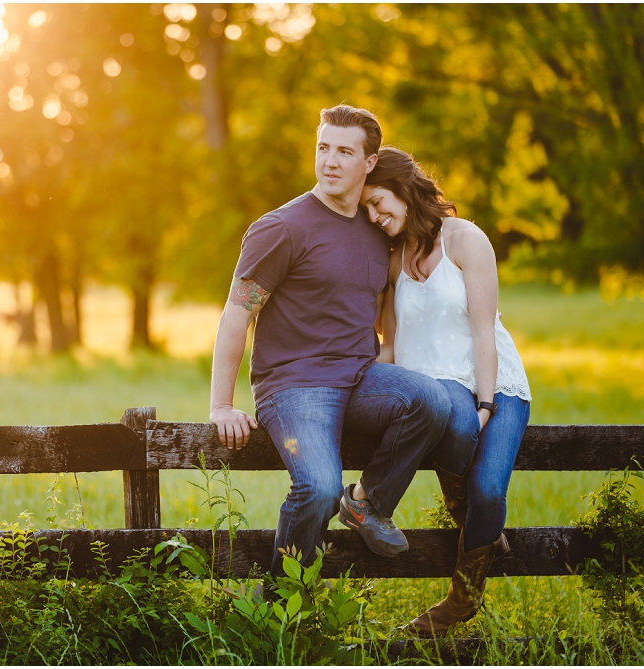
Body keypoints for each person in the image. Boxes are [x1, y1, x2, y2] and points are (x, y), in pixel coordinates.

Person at [209, 105, 451, 576]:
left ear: (370, 163)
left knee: (432, 402)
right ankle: (280, 604)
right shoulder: (281, 229)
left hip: (360, 377)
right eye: (323, 148)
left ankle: (366, 504)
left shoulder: (377, 227)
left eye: (344, 151)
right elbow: (236, 314)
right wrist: (222, 405)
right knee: (319, 488)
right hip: (295, 387)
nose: (330, 161)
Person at [361, 147, 533, 636]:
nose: (375, 216)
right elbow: (390, 345)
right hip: (436, 393)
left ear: (402, 187)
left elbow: (484, 332)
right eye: (368, 211)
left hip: (495, 382)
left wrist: (486, 402)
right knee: (454, 425)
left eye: (378, 203)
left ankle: (462, 598)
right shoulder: (394, 261)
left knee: (489, 490)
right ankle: (482, 536)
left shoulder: (467, 240)